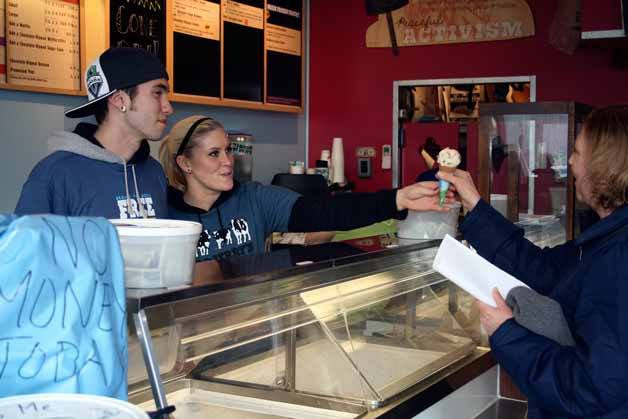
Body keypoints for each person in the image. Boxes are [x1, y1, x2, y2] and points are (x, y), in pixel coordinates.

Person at [438, 106, 628, 419]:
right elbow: (542, 269)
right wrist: (476, 204)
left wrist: (506, 331)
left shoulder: (618, 257)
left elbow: (590, 389)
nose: (569, 162)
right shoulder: (607, 240)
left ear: (602, 168)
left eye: (577, 152)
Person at [159, 116, 452, 261]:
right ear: (185, 163)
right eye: (214, 154)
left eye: (228, 150)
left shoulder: (254, 199)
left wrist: (398, 198)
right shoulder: (165, 215)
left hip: (253, 329)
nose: (227, 162)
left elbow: (327, 211)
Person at [15, 47, 173, 219]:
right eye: (157, 93)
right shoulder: (55, 174)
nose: (168, 108)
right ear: (120, 100)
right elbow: (29, 244)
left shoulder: (154, 172)